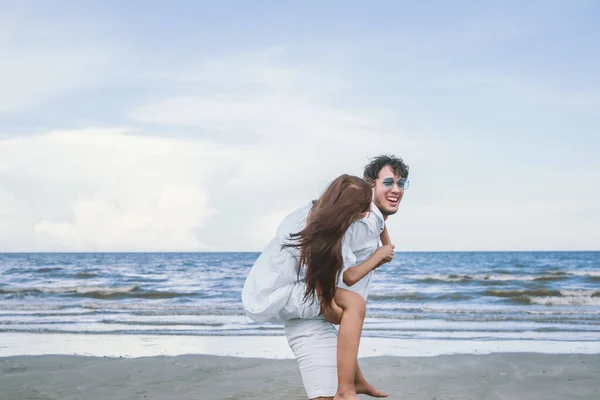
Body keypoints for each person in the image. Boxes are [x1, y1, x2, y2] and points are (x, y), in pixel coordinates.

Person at [242, 155, 410, 400]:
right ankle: (346, 389)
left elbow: (378, 223)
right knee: (353, 306)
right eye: (388, 182)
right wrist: (329, 303)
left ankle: (355, 380)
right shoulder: (352, 223)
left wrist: (386, 244)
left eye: (400, 183)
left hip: (286, 288)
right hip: (285, 293)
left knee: (348, 318)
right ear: (369, 185)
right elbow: (336, 271)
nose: (396, 189)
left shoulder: (351, 210)